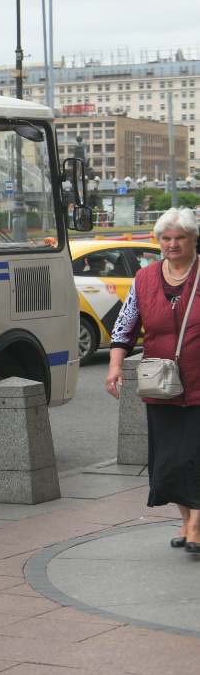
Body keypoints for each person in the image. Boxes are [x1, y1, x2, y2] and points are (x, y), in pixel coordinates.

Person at [105, 206, 200, 552]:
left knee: (195, 454)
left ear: (193, 240)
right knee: (169, 457)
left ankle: (195, 528)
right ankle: (187, 521)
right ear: (158, 241)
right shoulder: (144, 279)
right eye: (167, 238)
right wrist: (115, 365)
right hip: (162, 383)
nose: (173, 244)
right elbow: (124, 327)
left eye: (180, 238)